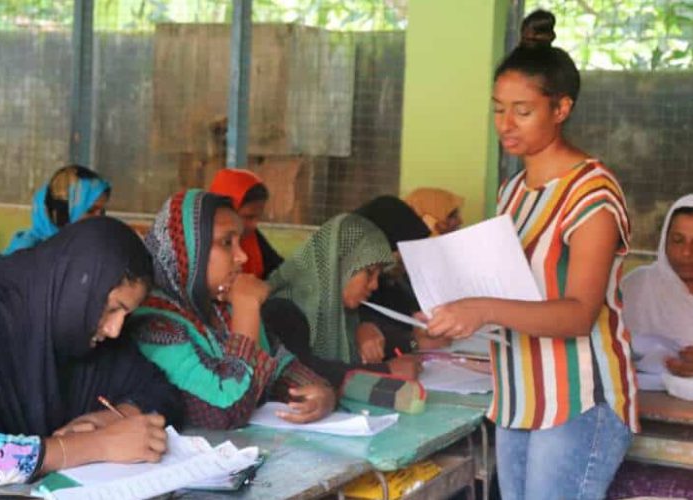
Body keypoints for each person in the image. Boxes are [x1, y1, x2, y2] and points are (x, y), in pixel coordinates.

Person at [424, 11, 636, 500]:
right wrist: (453, 307)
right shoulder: (514, 191)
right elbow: (513, 291)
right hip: (519, 392)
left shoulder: (593, 195)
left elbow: (580, 314)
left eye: (523, 110)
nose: (505, 123)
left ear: (561, 108)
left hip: (579, 399)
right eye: (498, 108)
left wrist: (480, 309)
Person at [0, 217, 181, 490]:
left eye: (125, 314)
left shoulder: (78, 329)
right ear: (77, 286)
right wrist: (98, 445)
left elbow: (159, 390)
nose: (115, 329)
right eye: (113, 308)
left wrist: (109, 419)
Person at [128, 190, 335, 430]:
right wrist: (247, 309)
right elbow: (227, 410)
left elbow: (282, 365)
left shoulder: (219, 309)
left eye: (241, 242)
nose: (242, 256)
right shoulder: (152, 323)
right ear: (189, 249)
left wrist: (321, 394)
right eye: (227, 243)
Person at [267, 213, 421, 383]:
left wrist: (415, 342)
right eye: (369, 272)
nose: (374, 285)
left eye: (378, 274)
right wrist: (385, 371)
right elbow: (300, 371)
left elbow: (385, 341)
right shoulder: (282, 308)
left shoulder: (344, 312)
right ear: (340, 265)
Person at [354, 196, 448, 360]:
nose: (374, 284)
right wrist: (414, 341)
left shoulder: (392, 282)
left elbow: (409, 335)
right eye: (404, 251)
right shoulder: (356, 299)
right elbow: (399, 344)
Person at [622, 194, 693, 377]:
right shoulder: (636, 287)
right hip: (644, 400)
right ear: (664, 241)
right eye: (678, 240)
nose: (687, 252)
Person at [4, 165, 111, 254]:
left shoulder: (84, 247)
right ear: (63, 213)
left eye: (102, 211)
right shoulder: (25, 255)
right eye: (91, 211)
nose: (101, 218)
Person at [207, 168, 284, 279]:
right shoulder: (203, 247)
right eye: (248, 217)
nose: (254, 224)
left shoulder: (252, 237)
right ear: (224, 211)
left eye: (258, 216)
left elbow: (279, 271)